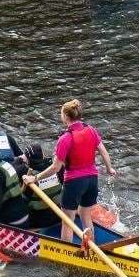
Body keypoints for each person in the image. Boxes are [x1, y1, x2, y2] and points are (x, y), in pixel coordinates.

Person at [24, 100, 117, 245]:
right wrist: (109, 168)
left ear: (66, 117)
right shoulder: (91, 130)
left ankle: (66, 250)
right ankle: (91, 246)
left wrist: (35, 178)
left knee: (67, 220)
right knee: (85, 215)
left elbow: (55, 168)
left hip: (74, 182)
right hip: (92, 180)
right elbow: (104, 152)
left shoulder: (65, 138)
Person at [21, 144, 64, 229]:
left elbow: (24, 200)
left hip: (40, 220)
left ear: (27, 159)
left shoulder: (29, 176)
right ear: (43, 155)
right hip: (59, 215)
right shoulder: (56, 168)